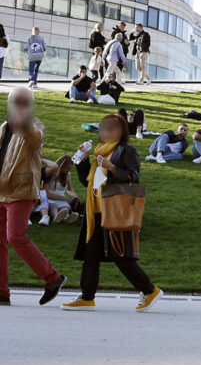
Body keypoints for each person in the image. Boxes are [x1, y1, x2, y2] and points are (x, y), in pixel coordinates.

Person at [62, 113, 161, 311]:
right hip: (95, 211)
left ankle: (150, 290)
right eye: (103, 127)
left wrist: (112, 167)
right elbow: (87, 183)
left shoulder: (127, 151)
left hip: (115, 209)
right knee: (91, 255)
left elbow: (133, 178)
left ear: (122, 130)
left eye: (111, 128)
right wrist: (83, 160)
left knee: (120, 255)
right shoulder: (99, 150)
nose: (106, 131)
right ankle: (87, 297)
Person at [0, 87, 67, 305]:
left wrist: (24, 122)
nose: (18, 105)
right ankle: (2, 292)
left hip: (21, 191)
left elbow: (35, 140)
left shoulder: (34, 127)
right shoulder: (3, 127)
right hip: (1, 192)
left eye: (23, 102)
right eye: (15, 101)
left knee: (15, 237)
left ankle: (53, 278)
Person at [40, 155, 81, 226]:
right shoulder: (50, 173)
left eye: (70, 169)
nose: (69, 171)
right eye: (67, 168)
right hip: (50, 197)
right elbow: (46, 193)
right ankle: (56, 217)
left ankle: (66, 218)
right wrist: (66, 199)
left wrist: (75, 196)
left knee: (65, 208)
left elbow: (69, 189)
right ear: (62, 166)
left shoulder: (67, 175)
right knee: (53, 206)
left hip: (61, 198)